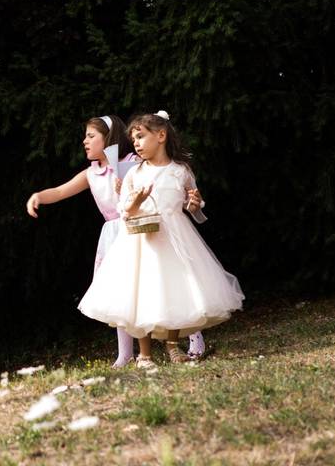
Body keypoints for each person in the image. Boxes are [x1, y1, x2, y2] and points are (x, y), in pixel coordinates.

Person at [78, 111, 243, 367]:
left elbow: (195, 210)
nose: (136, 143)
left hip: (175, 239)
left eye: (141, 137)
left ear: (161, 136)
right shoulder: (134, 173)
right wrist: (136, 201)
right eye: (133, 139)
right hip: (142, 241)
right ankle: (144, 354)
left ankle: (174, 346)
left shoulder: (181, 171)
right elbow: (125, 211)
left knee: (174, 291)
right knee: (141, 293)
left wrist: (195, 205)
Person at [25, 115, 141, 367]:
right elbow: (60, 190)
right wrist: (38, 196)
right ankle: (125, 353)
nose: (84, 141)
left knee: (152, 283)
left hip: (136, 228)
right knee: (119, 291)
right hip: (113, 234)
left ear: (108, 139)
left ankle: (190, 336)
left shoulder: (131, 162)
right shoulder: (92, 174)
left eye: (91, 136)